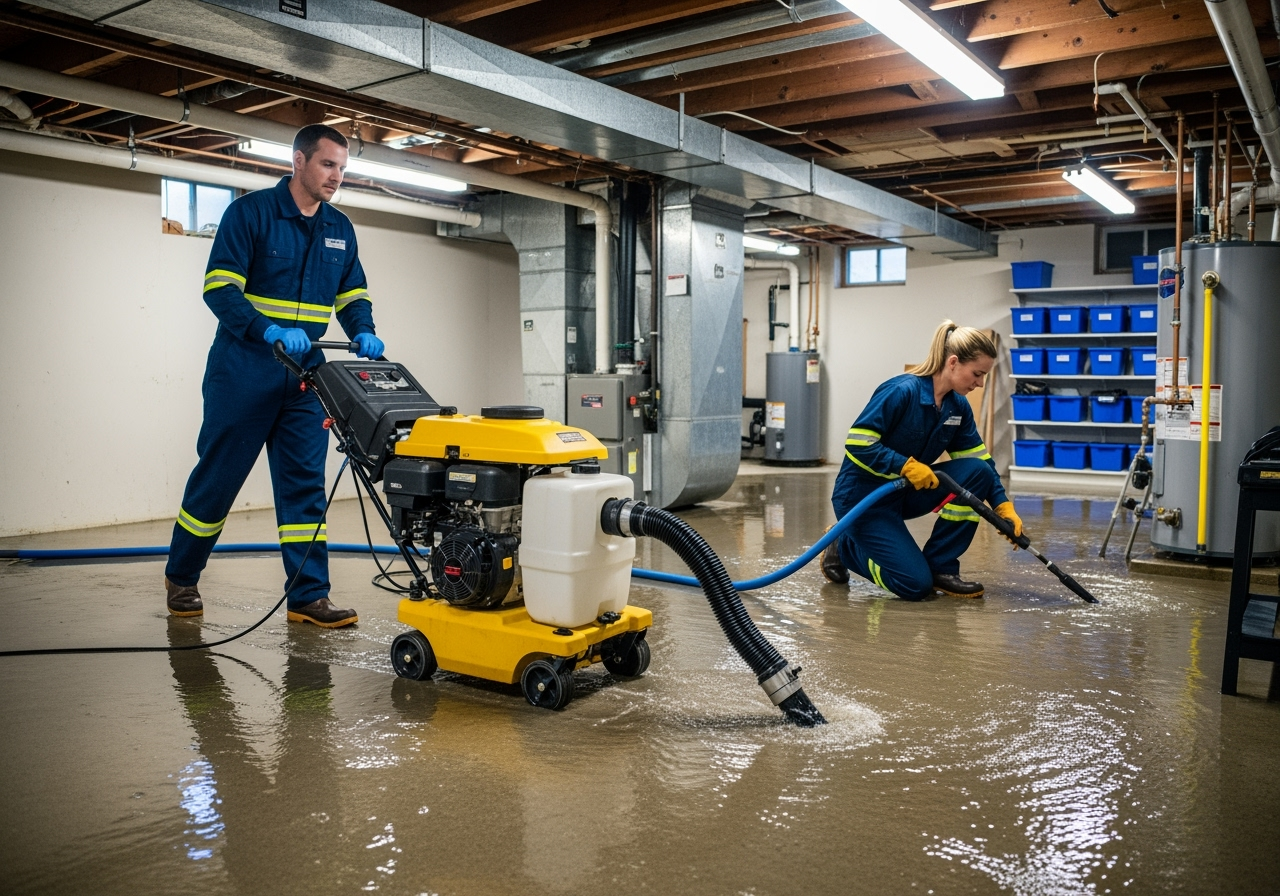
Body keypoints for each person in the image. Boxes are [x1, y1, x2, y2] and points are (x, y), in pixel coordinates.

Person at [164, 124, 385, 627]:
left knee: (305, 485)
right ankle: (182, 577)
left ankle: (309, 597)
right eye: (328, 164)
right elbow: (220, 288)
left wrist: (364, 330)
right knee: (219, 478)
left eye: (342, 168)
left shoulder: (340, 228)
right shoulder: (250, 214)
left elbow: (353, 294)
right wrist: (267, 330)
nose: (337, 176)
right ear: (298, 161)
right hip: (244, 369)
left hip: (306, 378)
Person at [821, 321, 1022, 599]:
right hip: (862, 501)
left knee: (977, 473)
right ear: (953, 362)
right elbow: (858, 443)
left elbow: (980, 461)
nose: (980, 383)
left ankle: (942, 567)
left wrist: (1002, 506)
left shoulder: (957, 407)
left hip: (903, 495)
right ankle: (844, 546)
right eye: (977, 374)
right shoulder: (901, 391)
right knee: (914, 585)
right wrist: (903, 465)